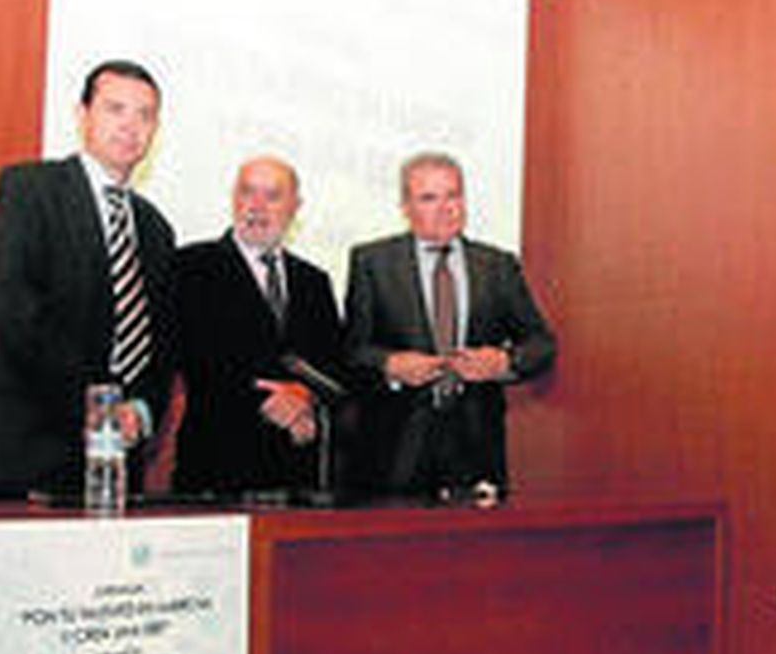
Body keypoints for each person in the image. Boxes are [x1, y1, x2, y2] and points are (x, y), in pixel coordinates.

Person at [0, 60, 181, 500]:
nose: (130, 125)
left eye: (144, 115)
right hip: (32, 452)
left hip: (117, 463)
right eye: (115, 109)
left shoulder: (156, 229)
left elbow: (163, 346)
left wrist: (142, 413)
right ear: (81, 115)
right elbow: (16, 317)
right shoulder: (29, 190)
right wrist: (98, 406)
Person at [343, 152, 556, 500]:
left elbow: (541, 344)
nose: (445, 208)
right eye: (429, 198)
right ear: (406, 207)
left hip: (476, 448)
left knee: (478, 554)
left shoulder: (497, 266)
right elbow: (351, 351)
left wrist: (505, 363)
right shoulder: (372, 262)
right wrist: (390, 365)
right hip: (395, 451)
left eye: (453, 195)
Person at [170, 156, 344, 496]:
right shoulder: (192, 266)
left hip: (297, 473)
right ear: (234, 198)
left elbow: (334, 367)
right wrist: (272, 402)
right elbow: (196, 358)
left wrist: (305, 397)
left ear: (295, 207)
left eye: (272, 196)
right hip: (217, 470)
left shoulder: (314, 281)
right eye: (248, 192)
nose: (257, 206)